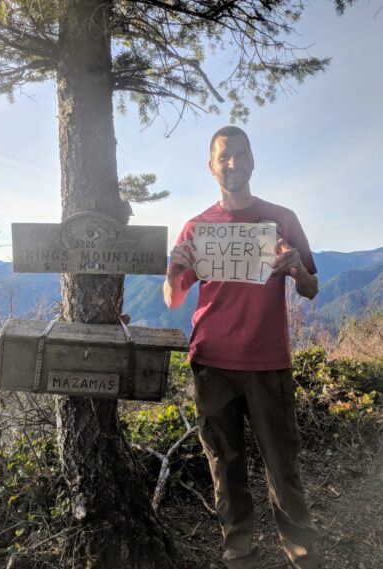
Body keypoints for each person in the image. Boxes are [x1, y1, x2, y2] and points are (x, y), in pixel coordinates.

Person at [163, 126, 320, 569]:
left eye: (241, 154)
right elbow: (173, 298)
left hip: (268, 362)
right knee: (225, 467)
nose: (232, 163)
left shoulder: (282, 219)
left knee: (282, 466)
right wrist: (174, 269)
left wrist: (296, 271)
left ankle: (302, 554)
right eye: (224, 156)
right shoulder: (197, 228)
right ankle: (239, 554)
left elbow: (311, 288)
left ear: (252, 161)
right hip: (211, 363)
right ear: (211, 167)